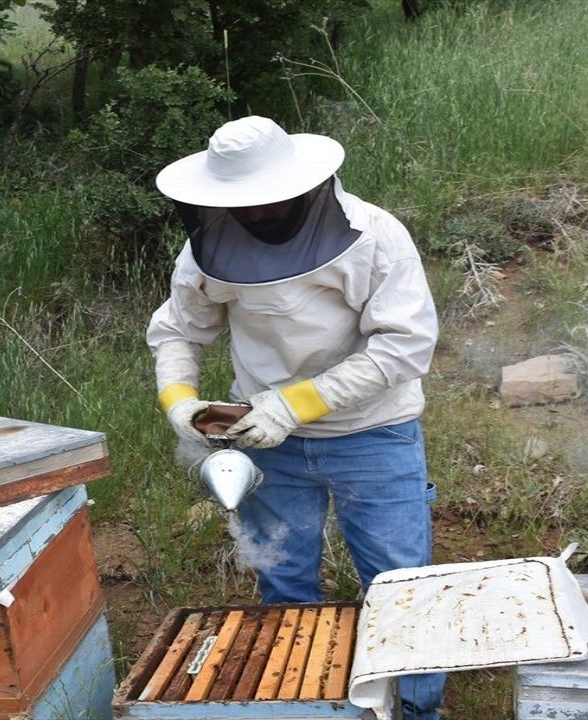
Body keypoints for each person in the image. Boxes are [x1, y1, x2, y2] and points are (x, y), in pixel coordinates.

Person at [145, 116, 444, 719]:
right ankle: (303, 707)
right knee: (283, 580)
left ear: (307, 184)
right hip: (264, 441)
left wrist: (296, 403)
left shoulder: (375, 236)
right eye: (240, 205)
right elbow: (178, 330)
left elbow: (404, 347)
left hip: (373, 434)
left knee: (400, 587)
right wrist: (178, 400)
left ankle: (416, 713)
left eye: (266, 201)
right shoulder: (208, 246)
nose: (253, 216)